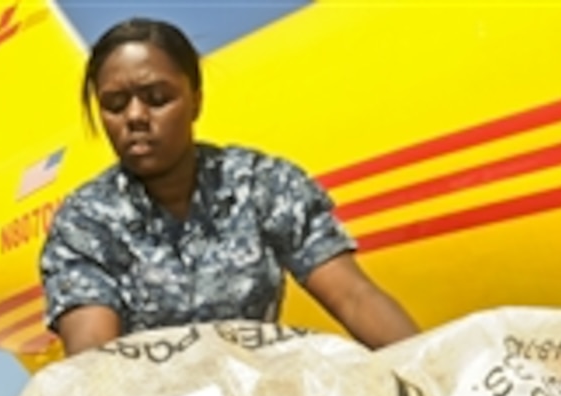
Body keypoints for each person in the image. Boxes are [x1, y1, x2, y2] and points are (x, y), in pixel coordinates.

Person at [40, 17, 419, 356]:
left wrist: (437, 380)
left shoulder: (262, 184)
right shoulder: (85, 222)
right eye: (115, 104)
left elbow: (354, 297)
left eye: (157, 98)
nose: (136, 117)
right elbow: (94, 361)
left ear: (196, 101)